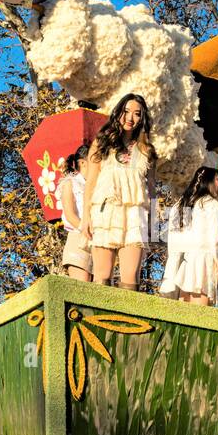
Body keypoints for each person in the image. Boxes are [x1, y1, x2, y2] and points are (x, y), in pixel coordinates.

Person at [81, 93, 157, 290]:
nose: (130, 118)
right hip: (106, 212)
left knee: (131, 279)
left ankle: (127, 320)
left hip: (135, 215)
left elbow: (151, 189)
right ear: (118, 113)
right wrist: (85, 218)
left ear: (142, 118)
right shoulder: (102, 143)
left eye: (137, 114)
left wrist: (154, 223)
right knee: (102, 275)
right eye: (126, 111)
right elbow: (91, 182)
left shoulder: (147, 150)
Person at [159, 166, 218, 306]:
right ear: (207, 181)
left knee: (183, 315)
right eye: (217, 180)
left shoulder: (181, 206)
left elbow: (174, 240)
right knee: (201, 317)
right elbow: (216, 240)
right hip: (205, 264)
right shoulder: (212, 205)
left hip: (185, 264)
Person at [57, 144, 91, 282]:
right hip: (78, 238)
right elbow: (70, 215)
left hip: (97, 243)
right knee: (83, 289)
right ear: (83, 162)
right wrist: (87, 230)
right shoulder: (70, 183)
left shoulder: (98, 185)